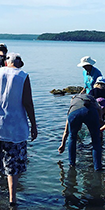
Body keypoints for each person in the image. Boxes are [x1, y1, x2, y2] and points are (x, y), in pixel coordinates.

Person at [0, 52, 37, 207]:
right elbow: (28, 103)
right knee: (13, 167)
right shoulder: (22, 76)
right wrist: (34, 125)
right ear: (19, 63)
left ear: (7, 62)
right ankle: (12, 200)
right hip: (14, 129)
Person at [58, 93, 102, 171]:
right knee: (95, 140)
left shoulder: (73, 103)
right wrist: (100, 119)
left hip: (74, 113)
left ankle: (72, 164)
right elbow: (99, 109)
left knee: (72, 136)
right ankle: (97, 167)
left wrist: (63, 144)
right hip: (91, 112)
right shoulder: (91, 98)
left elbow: (66, 131)